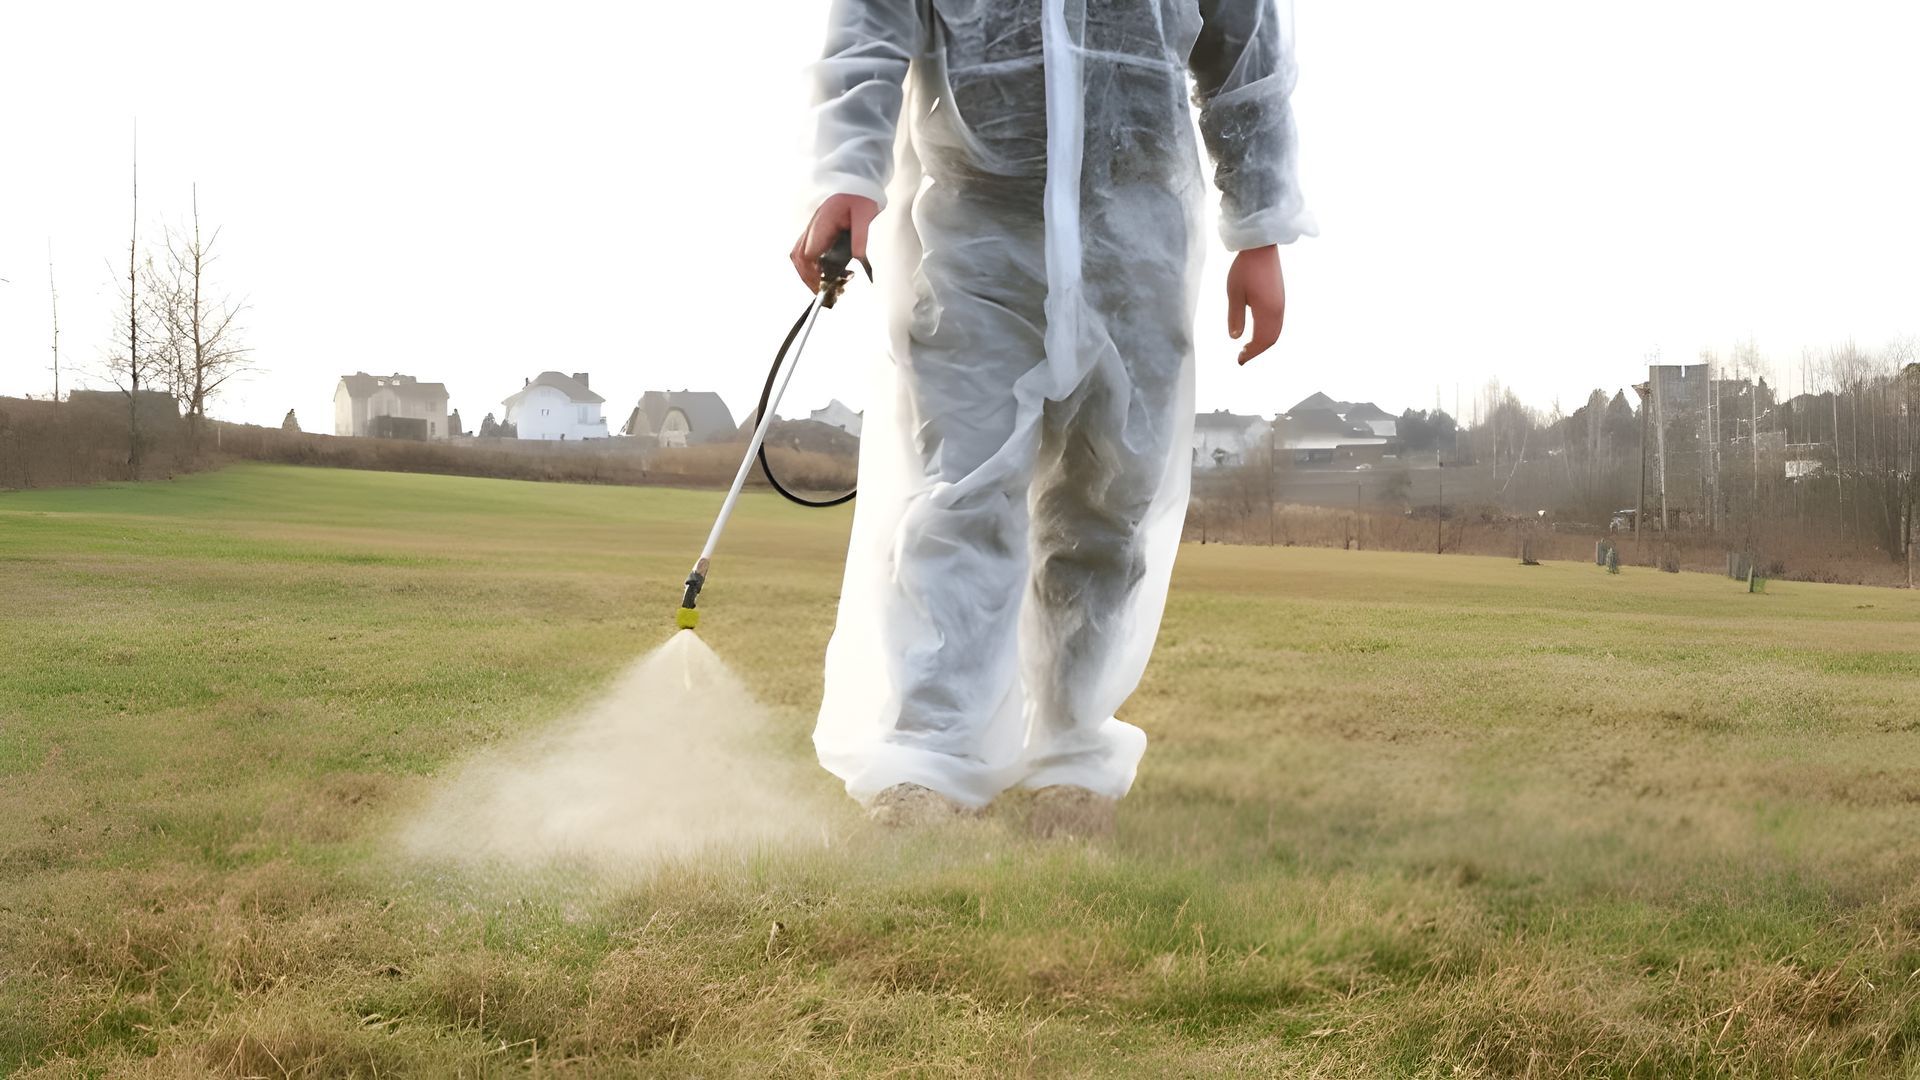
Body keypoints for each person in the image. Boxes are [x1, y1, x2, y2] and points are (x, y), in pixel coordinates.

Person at [794, 0, 1313, 831]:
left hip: (1136, 228)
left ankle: (1069, 757)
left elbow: (1243, 43)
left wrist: (1259, 230)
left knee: (1109, 498)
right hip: (973, 227)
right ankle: (929, 758)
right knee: (961, 491)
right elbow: (874, 18)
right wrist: (849, 171)